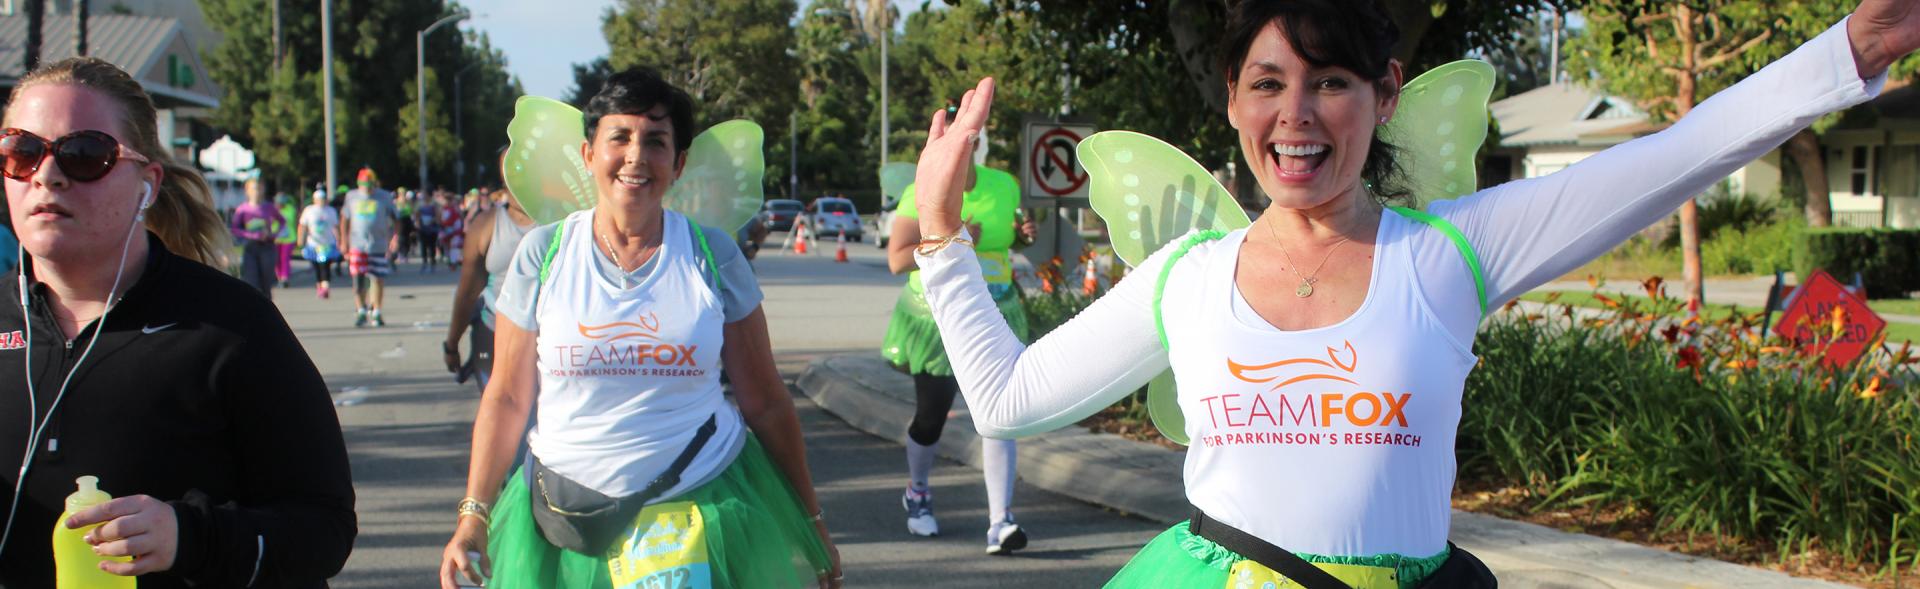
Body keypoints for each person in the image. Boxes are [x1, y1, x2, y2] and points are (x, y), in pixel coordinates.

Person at [905, 1, 1920, 587]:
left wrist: (1854, 52)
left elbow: (1678, 154)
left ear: (1385, 94)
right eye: (1266, 83)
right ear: (1232, 100)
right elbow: (1006, 399)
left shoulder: (1449, 256)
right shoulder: (1187, 278)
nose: (1296, 114)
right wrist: (943, 235)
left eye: (1330, 80)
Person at [438, 67, 839, 589]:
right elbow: (508, 398)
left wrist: (811, 522)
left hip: (702, 502)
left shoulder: (712, 255)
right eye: (619, 137)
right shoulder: (544, 253)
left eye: (655, 141)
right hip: (566, 517)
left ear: (678, 163)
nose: (635, 157)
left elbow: (765, 401)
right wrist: (473, 515)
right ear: (588, 155)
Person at [0, 56, 355, 587]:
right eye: (22, 152)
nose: (46, 175)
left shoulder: (228, 324)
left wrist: (188, 536)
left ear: (147, 182)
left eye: (84, 154)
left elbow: (324, 529)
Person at [882, 143, 1031, 553]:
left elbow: (1010, 239)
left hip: (998, 308)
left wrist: (1023, 236)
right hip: (939, 318)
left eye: (969, 140)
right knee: (931, 417)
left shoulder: (1004, 185)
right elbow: (896, 260)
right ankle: (918, 493)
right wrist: (953, 240)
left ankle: (1000, 521)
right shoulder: (922, 191)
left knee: (1002, 412)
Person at [442, 185, 534, 389]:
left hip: (546, 339)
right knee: (499, 409)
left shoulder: (566, 219)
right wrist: (452, 344)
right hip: (494, 331)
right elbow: (468, 292)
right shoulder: (486, 223)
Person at [339, 167, 398, 327]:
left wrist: (395, 238)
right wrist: (343, 241)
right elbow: (344, 219)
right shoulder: (352, 197)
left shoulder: (384, 197)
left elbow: (396, 219)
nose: (367, 188)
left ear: (375, 183)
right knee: (358, 279)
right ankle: (361, 311)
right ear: (359, 184)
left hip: (378, 244)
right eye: (364, 185)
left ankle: (377, 311)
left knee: (377, 278)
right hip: (357, 244)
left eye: (370, 185)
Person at [228, 177, 284, 298]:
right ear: (247, 191)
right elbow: (235, 229)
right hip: (250, 248)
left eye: (259, 188)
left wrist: (274, 234)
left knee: (266, 284)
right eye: (253, 188)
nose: (256, 191)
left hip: (267, 248)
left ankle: (267, 311)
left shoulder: (269, 207)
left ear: (263, 190)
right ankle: (254, 311)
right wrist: (253, 235)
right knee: (251, 282)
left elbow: (282, 222)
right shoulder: (242, 209)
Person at [298, 186, 342, 299]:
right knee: (317, 266)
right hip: (313, 244)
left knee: (325, 265)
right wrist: (300, 239)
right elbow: (303, 226)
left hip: (327, 244)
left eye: (323, 198)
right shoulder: (309, 210)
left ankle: (325, 287)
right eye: (319, 199)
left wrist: (339, 240)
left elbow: (335, 227)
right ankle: (320, 286)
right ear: (314, 199)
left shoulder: (330, 211)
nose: (322, 201)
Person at [274, 192, 298, 287]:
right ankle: (279, 277)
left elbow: (293, 221)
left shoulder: (290, 209)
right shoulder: (273, 209)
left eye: (281, 202)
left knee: (285, 258)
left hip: (289, 238)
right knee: (276, 259)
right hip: (275, 238)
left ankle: (284, 278)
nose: (279, 205)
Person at [415, 188, 442, 272]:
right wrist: (418, 222)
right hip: (423, 227)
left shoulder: (434, 203)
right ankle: (424, 263)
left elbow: (438, 215)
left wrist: (432, 220)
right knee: (423, 245)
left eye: (425, 194)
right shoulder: (420, 203)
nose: (424, 196)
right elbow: (416, 214)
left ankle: (432, 263)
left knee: (432, 246)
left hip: (432, 228)